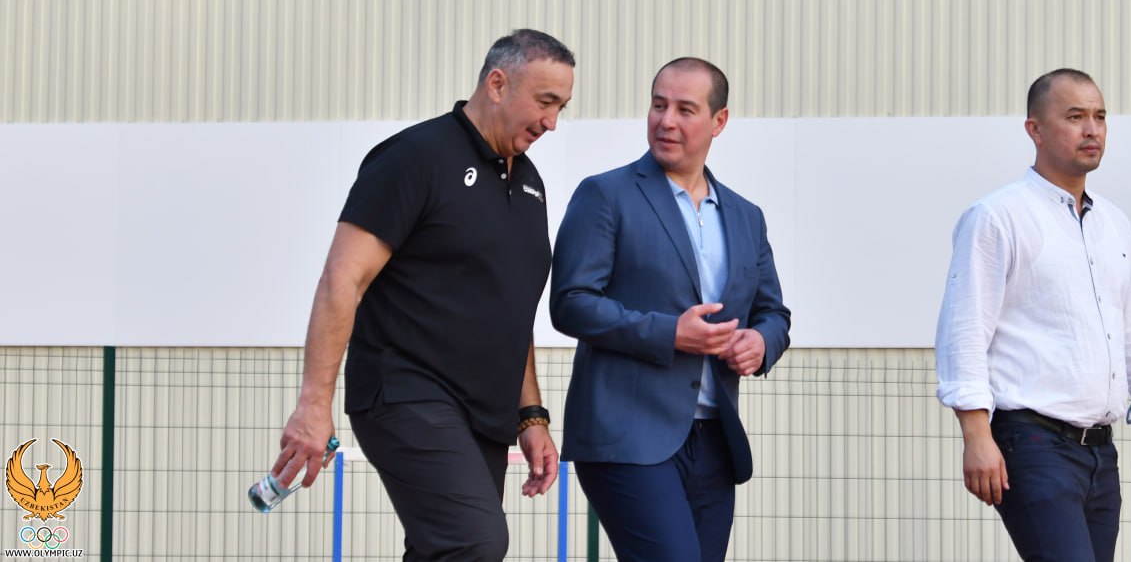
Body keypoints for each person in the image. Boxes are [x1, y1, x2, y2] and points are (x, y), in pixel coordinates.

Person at [271, 29, 575, 562]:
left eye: (561, 108)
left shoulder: (530, 184)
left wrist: (531, 415)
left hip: (484, 413)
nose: (552, 122)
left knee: (444, 550)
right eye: (545, 101)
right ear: (497, 84)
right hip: (407, 392)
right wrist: (314, 405)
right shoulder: (414, 157)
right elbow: (343, 279)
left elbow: (512, 307)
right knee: (474, 541)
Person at [935, 68, 1131, 562]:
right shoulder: (998, 217)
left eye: (1100, 117)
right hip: (1032, 443)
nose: (1092, 129)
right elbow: (964, 330)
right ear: (1034, 129)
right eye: (1075, 117)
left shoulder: (1114, 225)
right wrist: (976, 436)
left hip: (1101, 453)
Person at [551, 57, 791, 562]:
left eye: (685, 109)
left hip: (715, 442)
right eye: (659, 105)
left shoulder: (746, 217)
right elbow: (570, 304)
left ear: (719, 121)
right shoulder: (605, 195)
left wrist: (760, 343)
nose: (666, 121)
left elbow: (773, 314)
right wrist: (670, 334)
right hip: (626, 436)